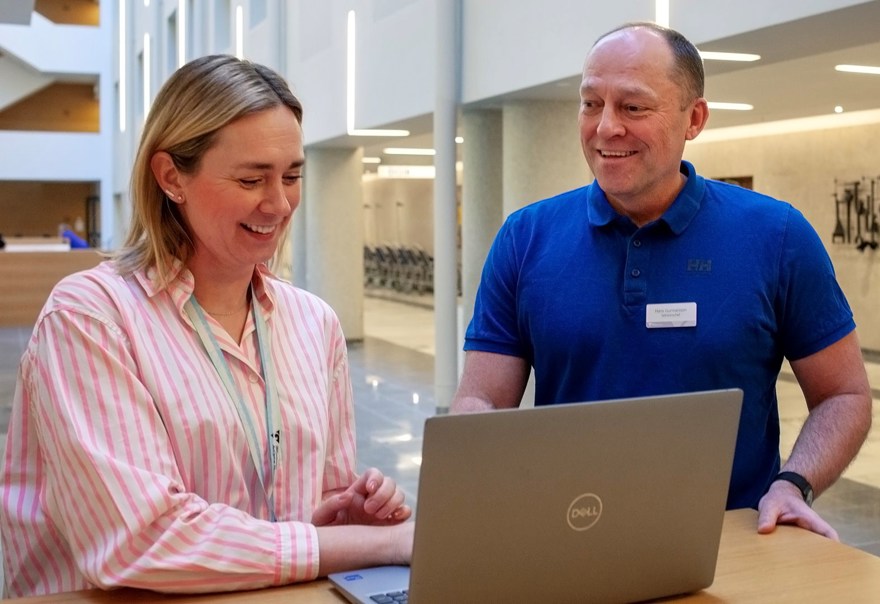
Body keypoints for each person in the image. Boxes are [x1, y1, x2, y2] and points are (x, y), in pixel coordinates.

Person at [0, 55, 413, 598]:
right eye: (251, 179)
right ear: (172, 177)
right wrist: (384, 545)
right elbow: (143, 541)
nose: (279, 202)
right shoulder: (90, 320)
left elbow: (300, 523)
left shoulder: (315, 324)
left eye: (292, 176)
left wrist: (341, 522)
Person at [453, 23, 872, 540]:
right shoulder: (525, 238)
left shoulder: (777, 236)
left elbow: (843, 395)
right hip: (569, 536)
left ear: (693, 118)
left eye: (633, 107)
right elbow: (483, 400)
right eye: (590, 103)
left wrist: (792, 484)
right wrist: (477, 459)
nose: (605, 127)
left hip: (730, 543)